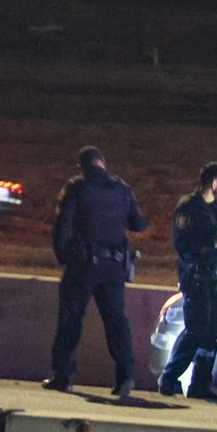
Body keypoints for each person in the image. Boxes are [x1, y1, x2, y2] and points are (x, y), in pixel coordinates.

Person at [44, 146, 146, 397]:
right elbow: (138, 223)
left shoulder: (76, 188)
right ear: (103, 162)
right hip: (114, 267)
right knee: (116, 322)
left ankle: (63, 376)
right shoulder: (122, 189)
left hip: (83, 266)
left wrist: (65, 257)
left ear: (82, 167)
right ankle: (125, 378)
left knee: (70, 320)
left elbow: (61, 227)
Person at [158, 162, 217, 399]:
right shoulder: (188, 208)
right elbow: (183, 245)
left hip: (215, 278)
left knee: (210, 334)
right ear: (214, 183)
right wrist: (210, 247)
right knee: (195, 331)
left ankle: (200, 384)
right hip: (196, 278)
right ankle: (169, 377)